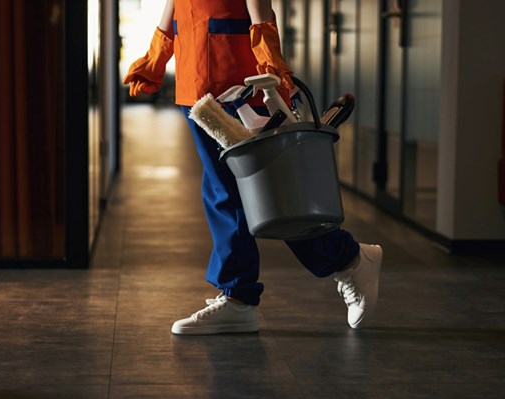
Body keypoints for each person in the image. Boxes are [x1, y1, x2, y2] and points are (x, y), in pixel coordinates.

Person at [123, 0, 383, 335]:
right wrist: (156, 56)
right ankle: (242, 295)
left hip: (239, 84)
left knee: (267, 192)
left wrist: (270, 61)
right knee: (225, 192)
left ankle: (343, 261)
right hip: (196, 84)